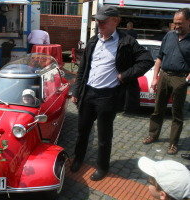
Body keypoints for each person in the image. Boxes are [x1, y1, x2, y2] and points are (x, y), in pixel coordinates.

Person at [70, 5, 154, 181]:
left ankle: (102, 167)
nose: (99, 24)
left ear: (116, 21)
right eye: (97, 21)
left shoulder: (127, 41)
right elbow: (83, 69)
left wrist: (125, 75)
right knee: (82, 131)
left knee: (104, 135)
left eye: (103, 21)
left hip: (108, 97)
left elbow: (146, 61)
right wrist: (76, 91)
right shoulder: (93, 41)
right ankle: (78, 159)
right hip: (88, 94)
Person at [142, 8, 190, 155]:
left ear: (189, 21)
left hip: (179, 79)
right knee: (158, 109)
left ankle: (173, 144)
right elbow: (159, 58)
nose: (176, 26)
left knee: (177, 113)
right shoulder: (169, 36)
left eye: (180, 23)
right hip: (163, 75)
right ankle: (153, 134)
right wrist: (155, 78)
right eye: (175, 23)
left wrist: (186, 80)